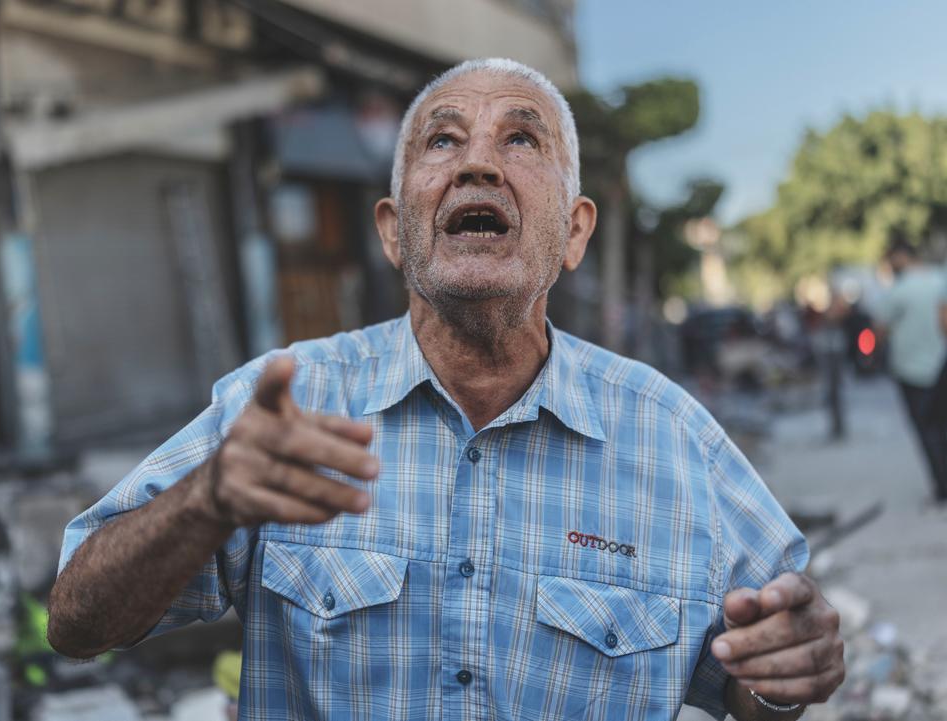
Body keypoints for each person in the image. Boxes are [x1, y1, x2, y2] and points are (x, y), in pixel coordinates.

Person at [47, 59, 843, 720]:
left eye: (522, 138)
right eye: (444, 139)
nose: (478, 162)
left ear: (572, 233)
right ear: (395, 230)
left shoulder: (675, 438)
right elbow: (76, 622)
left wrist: (788, 674)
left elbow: (763, 677)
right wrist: (204, 499)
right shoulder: (287, 401)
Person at [874, 237, 947, 503]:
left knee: (926, 430)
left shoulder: (899, 290)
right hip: (940, 365)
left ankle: (942, 487)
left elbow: (879, 329)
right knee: (941, 426)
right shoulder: (940, 279)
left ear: (899, 256)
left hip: (911, 370)